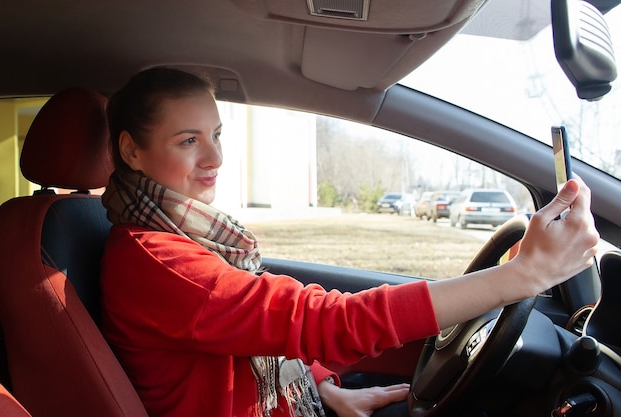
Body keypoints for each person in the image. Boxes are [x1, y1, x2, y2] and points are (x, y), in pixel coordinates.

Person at [99, 67, 599, 417]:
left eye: (217, 134)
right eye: (188, 141)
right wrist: (521, 277)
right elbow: (325, 322)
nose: (215, 157)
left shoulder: (183, 237)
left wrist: (322, 388)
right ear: (131, 151)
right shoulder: (155, 259)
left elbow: (255, 334)